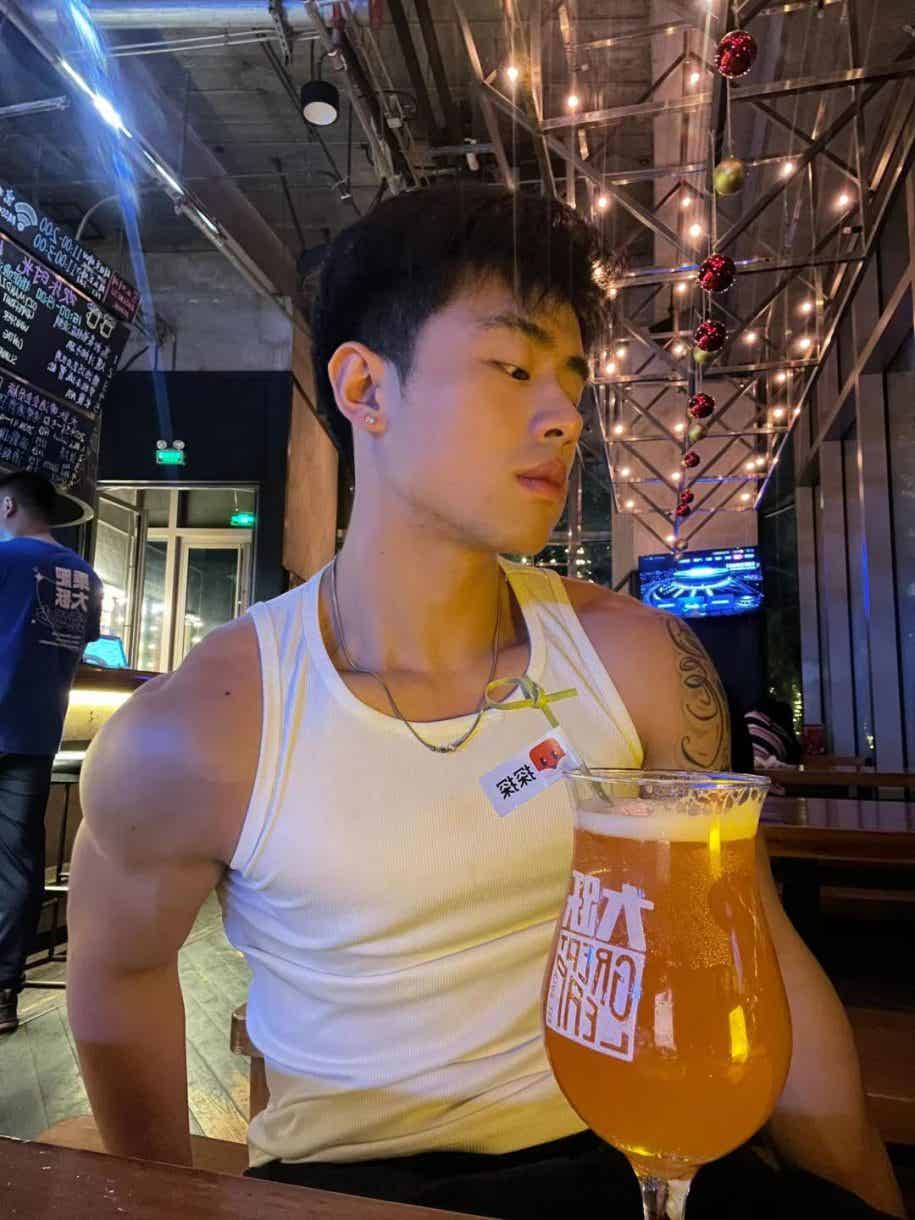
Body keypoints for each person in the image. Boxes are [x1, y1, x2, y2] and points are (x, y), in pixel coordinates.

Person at [68, 185, 903, 1218]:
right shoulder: (201, 729)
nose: (565, 417)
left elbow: (755, 947)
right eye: (513, 367)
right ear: (365, 388)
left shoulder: (639, 657)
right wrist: (169, 1200)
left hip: (635, 1151)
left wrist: (865, 1195)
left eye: (572, 380)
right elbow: (118, 977)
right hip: (358, 1186)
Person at [0, 470, 102, 1034]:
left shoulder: (5, 559)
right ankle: (3, 993)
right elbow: (79, 650)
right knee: (18, 865)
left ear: (8, 506)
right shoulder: (85, 576)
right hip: (38, 735)